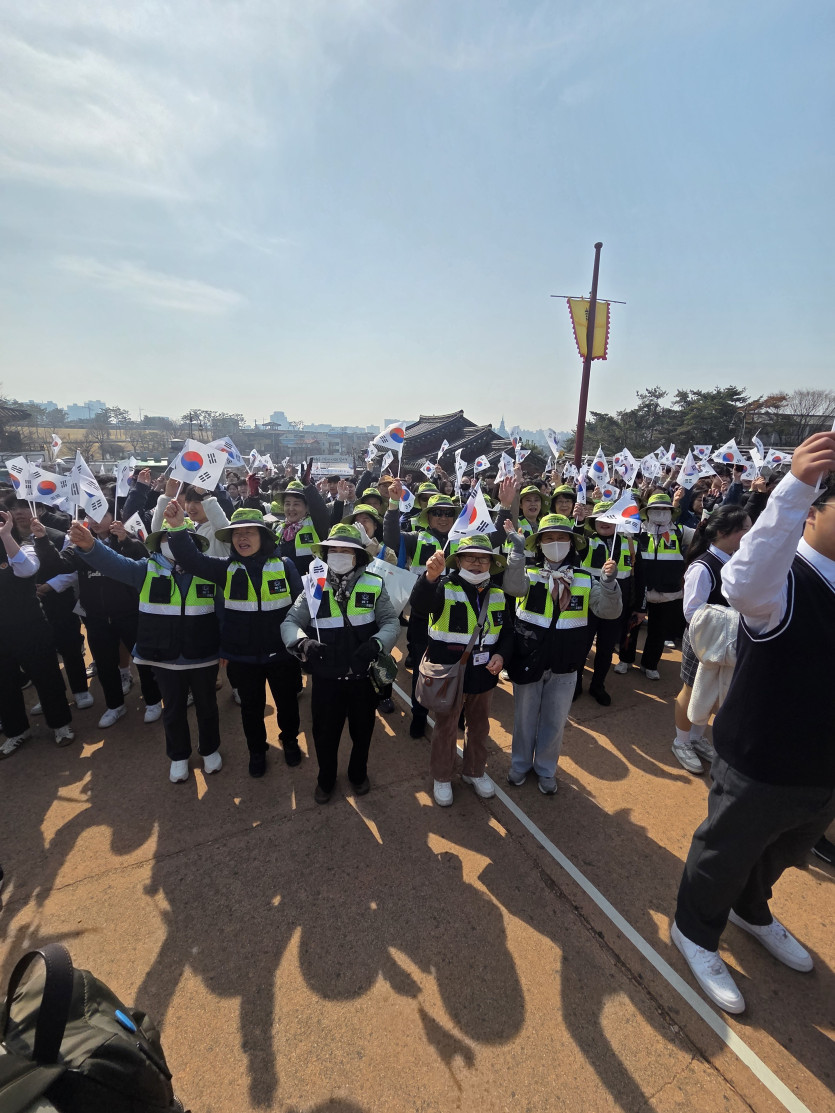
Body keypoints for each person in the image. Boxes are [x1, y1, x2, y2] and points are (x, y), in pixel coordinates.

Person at [671, 431, 835, 1015]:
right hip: (762, 755)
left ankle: (751, 908)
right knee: (727, 849)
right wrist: (793, 487)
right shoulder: (782, 579)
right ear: (812, 514)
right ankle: (695, 929)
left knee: (789, 847)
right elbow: (738, 583)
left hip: (822, 765)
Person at [67, 516, 222, 784]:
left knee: (207, 707)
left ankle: (209, 749)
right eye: (166, 538)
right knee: (172, 709)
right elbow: (114, 563)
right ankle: (178, 755)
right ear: (157, 544)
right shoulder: (145, 569)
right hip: (163, 658)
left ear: (193, 544)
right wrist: (91, 545)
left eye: (179, 538)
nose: (172, 543)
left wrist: (225, 649)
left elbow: (222, 613)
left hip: (203, 655)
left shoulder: (208, 570)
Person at [163, 504, 304, 778]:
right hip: (243, 657)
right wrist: (178, 528)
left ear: (263, 536)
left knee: (287, 703)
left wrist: (301, 643)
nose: (242, 538)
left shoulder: (285, 566)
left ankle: (290, 741)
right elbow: (192, 560)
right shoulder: (224, 569)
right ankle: (257, 751)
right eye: (237, 533)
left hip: (282, 655)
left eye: (250, 532)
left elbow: (301, 606)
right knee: (251, 709)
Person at [281, 522, 399, 803]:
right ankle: (326, 779)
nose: (340, 554)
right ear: (325, 554)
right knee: (324, 735)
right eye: (334, 549)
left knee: (363, 732)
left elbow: (391, 622)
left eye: (347, 550)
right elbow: (290, 622)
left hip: (363, 678)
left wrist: (377, 643)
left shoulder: (374, 583)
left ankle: (358, 774)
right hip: (326, 680)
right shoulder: (312, 584)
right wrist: (303, 643)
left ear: (358, 556)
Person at [506, 515, 622, 793]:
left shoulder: (585, 578)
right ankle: (520, 764)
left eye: (562, 538)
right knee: (524, 718)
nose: (555, 543)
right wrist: (517, 553)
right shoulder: (529, 572)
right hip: (528, 659)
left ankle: (546, 769)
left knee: (555, 721)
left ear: (572, 543)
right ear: (539, 544)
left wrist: (609, 584)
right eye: (548, 538)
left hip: (567, 663)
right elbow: (512, 587)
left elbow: (608, 611)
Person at [411, 534, 521, 807]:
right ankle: (442, 776)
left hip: (484, 675)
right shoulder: (443, 586)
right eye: (470, 557)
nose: (477, 563)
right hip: (449, 674)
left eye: (483, 558)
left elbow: (507, 632)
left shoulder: (498, 594)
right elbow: (420, 606)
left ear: (491, 563)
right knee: (446, 727)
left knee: (480, 727)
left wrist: (501, 655)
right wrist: (429, 577)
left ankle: (474, 771)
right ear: (458, 561)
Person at [31, 502, 164, 729]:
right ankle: (115, 705)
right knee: (104, 664)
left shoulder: (127, 539)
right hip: (96, 617)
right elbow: (59, 564)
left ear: (114, 515)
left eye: (101, 515)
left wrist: (126, 541)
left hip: (130, 613)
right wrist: (42, 539)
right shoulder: (81, 544)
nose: (94, 521)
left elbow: (145, 562)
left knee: (142, 659)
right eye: (90, 516)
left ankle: (152, 700)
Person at [670, 505, 751, 774]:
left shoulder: (733, 561)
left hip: (724, 641)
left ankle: (696, 737)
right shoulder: (703, 566)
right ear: (724, 532)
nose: (749, 535)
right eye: (744, 530)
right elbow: (691, 612)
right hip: (703, 641)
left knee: (713, 691)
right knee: (691, 689)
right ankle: (681, 741)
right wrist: (731, 618)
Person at [385, 485, 461, 738]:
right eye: (437, 512)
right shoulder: (415, 538)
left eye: (448, 513)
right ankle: (419, 715)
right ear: (427, 516)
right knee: (421, 667)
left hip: (453, 615)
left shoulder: (463, 542)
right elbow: (391, 539)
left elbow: (495, 540)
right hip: (422, 614)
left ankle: (457, 713)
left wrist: (505, 506)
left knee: (455, 666)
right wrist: (393, 506)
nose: (443, 517)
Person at [0, 510, 75, 758]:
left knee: (46, 675)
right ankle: (16, 731)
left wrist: (5, 537)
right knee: (4, 683)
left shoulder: (25, 546)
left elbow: (26, 569)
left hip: (30, 627)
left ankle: (60, 724)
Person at [621, 492, 694, 680]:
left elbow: (704, 538)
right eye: (656, 509)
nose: (660, 512)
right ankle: (625, 659)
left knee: (658, 631)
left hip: (669, 592)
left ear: (671, 511)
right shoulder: (636, 530)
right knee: (632, 626)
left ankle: (650, 664)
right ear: (647, 511)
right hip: (640, 589)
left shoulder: (681, 531)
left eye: (665, 509)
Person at [578, 501, 639, 705]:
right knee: (582, 647)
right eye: (600, 519)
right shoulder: (587, 542)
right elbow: (574, 545)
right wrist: (578, 522)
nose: (604, 522)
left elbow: (638, 576)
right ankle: (576, 684)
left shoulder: (630, 544)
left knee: (605, 650)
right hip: (588, 605)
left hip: (615, 608)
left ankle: (598, 686)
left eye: (610, 519)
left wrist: (638, 607)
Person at [270, 476, 331, 576]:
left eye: (296, 504)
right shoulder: (279, 529)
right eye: (287, 504)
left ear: (307, 507)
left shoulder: (316, 525)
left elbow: (320, 511)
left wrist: (309, 487)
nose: (291, 508)